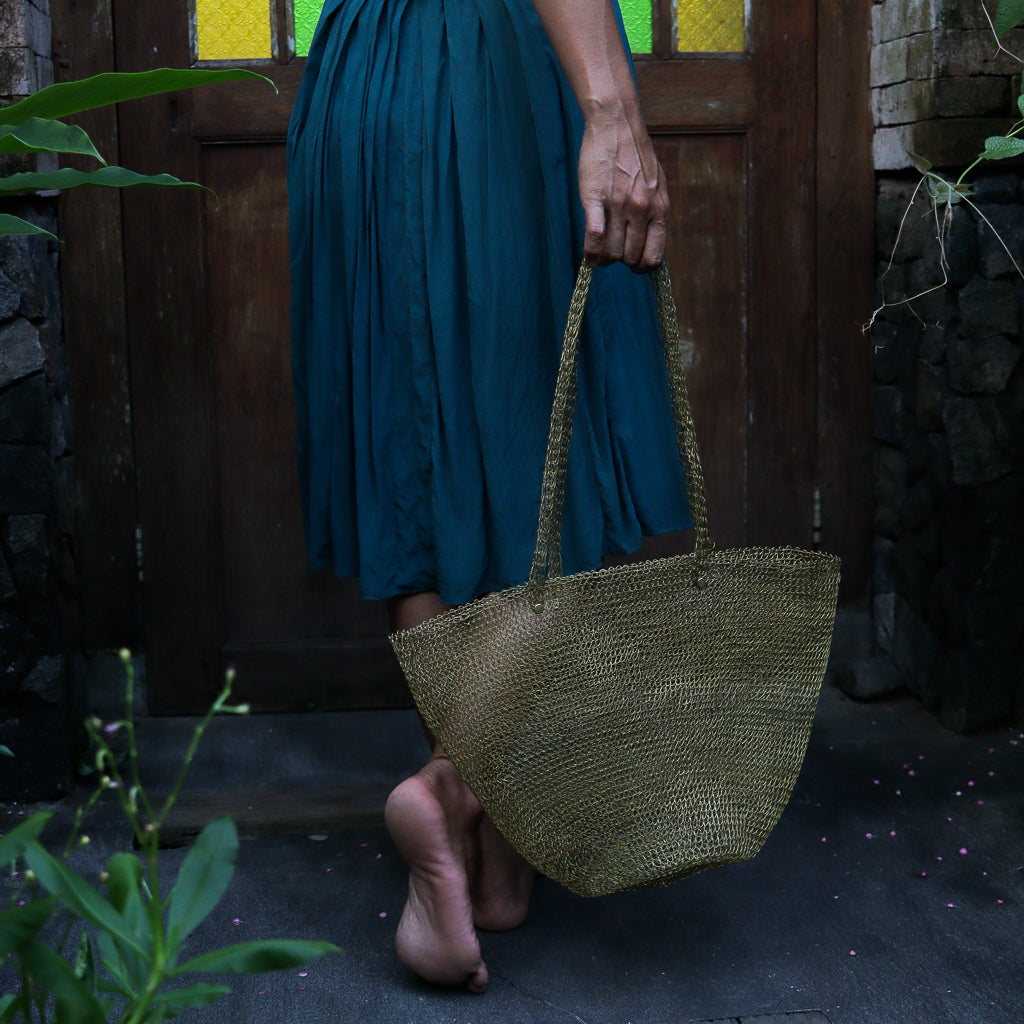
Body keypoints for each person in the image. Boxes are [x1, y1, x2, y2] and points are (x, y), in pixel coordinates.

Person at [288, 0, 691, 992]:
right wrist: (609, 106)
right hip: (490, 68)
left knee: (417, 460)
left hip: (364, 69)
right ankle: (462, 800)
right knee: (547, 432)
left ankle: (479, 864)